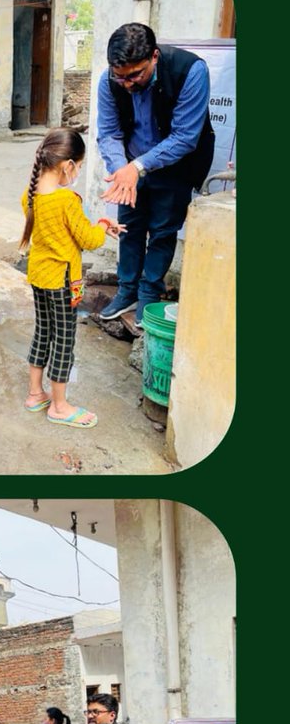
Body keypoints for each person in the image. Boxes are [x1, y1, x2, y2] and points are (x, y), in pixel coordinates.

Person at [94, 22, 214, 323]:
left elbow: (186, 136)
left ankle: (149, 295)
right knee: (128, 229)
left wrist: (138, 167)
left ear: (155, 57)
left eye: (136, 74)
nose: (128, 83)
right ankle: (127, 291)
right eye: (121, 77)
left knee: (162, 231)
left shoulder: (191, 71)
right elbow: (108, 132)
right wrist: (122, 169)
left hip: (175, 166)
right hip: (130, 166)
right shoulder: (109, 80)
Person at [19, 127, 124, 428]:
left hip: (39, 276)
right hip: (63, 281)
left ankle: (35, 394)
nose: (78, 172)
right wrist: (104, 224)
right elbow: (89, 239)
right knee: (64, 341)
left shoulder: (29, 196)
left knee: (43, 333)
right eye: (78, 166)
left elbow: (59, 234)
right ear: (68, 166)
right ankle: (60, 406)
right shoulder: (66, 201)